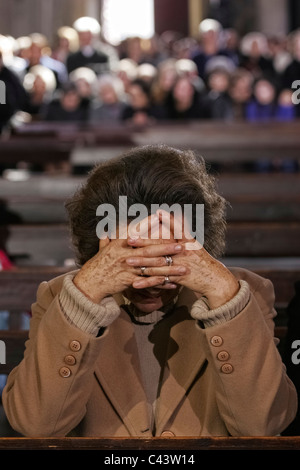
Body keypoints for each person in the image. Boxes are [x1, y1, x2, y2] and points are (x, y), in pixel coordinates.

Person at [2, 144, 297, 437]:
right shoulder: (62, 296)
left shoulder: (242, 293)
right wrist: (86, 297)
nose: (153, 281)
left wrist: (226, 301)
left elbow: (263, 425)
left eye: (169, 258)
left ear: (197, 245)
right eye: (134, 258)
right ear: (102, 250)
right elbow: (36, 425)